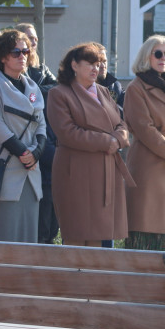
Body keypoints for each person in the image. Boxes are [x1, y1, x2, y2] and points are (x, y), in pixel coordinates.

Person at [47, 42, 131, 247]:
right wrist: (107, 141)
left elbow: (121, 123)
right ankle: (76, 278)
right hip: (76, 171)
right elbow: (67, 133)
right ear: (74, 65)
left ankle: (98, 277)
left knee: (101, 233)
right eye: (90, 63)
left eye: (99, 63)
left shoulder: (103, 91)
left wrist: (118, 138)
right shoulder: (59, 94)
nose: (96, 68)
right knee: (78, 231)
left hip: (106, 171)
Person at [124, 35, 165, 251]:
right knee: (149, 227)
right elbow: (145, 130)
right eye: (158, 54)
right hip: (150, 166)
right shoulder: (136, 88)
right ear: (147, 56)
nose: (164, 58)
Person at [0, 29, 47, 243]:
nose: (22, 56)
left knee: (29, 237)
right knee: (5, 237)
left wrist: (36, 152)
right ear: (2, 57)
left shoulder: (33, 86)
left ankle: (26, 277)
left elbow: (41, 124)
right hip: (6, 168)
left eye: (25, 51)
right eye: (16, 52)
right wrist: (23, 152)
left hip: (31, 169)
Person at [19, 23, 61, 244]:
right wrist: (36, 93)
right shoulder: (17, 71)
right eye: (28, 38)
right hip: (28, 141)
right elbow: (25, 98)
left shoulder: (41, 69)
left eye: (35, 38)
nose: (33, 42)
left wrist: (36, 92)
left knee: (52, 213)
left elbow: (55, 88)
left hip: (49, 134)